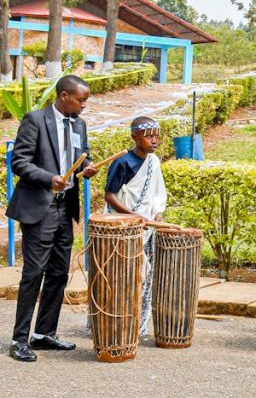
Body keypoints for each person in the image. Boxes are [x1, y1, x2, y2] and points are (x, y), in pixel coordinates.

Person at [8, 75, 98, 362]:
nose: (84, 105)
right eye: (81, 100)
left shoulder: (78, 124)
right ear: (63, 96)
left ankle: (44, 333)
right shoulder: (35, 120)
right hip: (39, 208)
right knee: (33, 274)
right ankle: (19, 339)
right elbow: (19, 163)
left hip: (64, 209)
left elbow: (81, 157)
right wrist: (50, 179)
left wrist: (87, 166)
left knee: (59, 273)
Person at [104, 116, 169, 339]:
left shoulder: (154, 162)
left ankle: (139, 326)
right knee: (120, 275)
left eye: (156, 136)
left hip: (147, 227)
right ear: (134, 137)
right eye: (148, 136)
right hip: (123, 227)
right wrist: (131, 216)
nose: (154, 140)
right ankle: (112, 324)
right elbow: (110, 196)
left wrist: (157, 212)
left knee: (145, 275)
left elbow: (157, 193)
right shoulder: (123, 162)